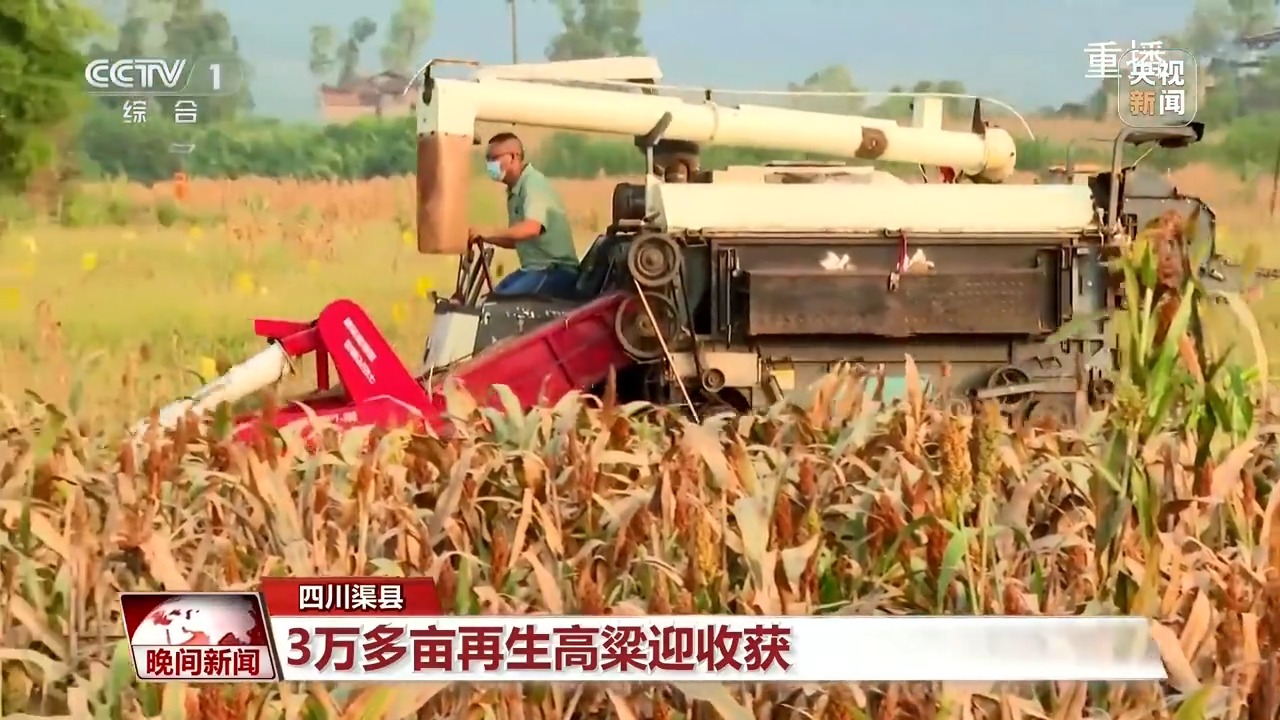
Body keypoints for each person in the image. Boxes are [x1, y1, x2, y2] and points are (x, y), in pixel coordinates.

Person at [470, 132, 581, 297]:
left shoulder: (533, 184)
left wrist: (490, 231)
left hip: (555, 270)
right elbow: (516, 240)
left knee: (501, 306)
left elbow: (531, 228)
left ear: (513, 157)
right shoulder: (514, 191)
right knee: (489, 300)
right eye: (488, 159)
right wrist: (481, 236)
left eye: (494, 158)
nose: (490, 165)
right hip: (533, 270)